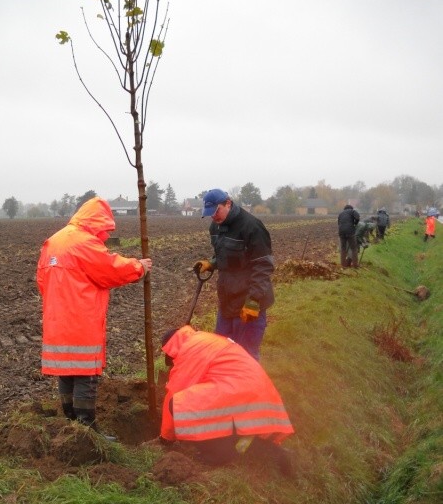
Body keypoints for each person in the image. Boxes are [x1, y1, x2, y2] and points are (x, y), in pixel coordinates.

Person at [36, 196, 152, 436]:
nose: (106, 235)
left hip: (57, 320)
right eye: (105, 228)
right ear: (97, 221)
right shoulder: (84, 243)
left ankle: (71, 423)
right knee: (85, 373)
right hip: (81, 320)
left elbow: (41, 282)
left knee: (67, 370)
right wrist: (139, 267)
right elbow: (110, 269)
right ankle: (87, 430)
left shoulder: (54, 241)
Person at [159, 326, 294, 469]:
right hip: (257, 398)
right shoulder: (205, 340)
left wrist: (166, 438)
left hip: (239, 394)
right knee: (202, 399)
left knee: (178, 404)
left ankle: (219, 454)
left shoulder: (190, 349)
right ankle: (253, 444)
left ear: (172, 350)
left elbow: (175, 392)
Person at [193, 188, 274, 361]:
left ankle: (251, 388)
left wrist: (253, 302)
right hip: (227, 302)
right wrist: (212, 263)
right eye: (210, 214)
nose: (214, 217)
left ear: (228, 203)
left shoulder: (252, 226)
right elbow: (224, 254)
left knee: (246, 357)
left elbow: (263, 266)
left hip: (249, 302)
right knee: (221, 353)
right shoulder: (215, 227)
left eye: (216, 211)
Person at [337, 204, 360, 268]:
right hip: (350, 231)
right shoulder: (352, 211)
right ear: (351, 208)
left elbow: (338, 223)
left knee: (343, 248)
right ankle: (355, 265)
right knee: (354, 248)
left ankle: (343, 265)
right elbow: (358, 217)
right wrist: (355, 224)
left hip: (341, 232)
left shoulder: (341, 213)